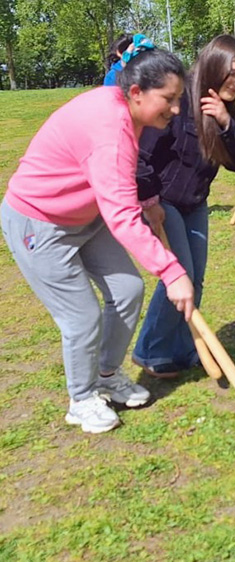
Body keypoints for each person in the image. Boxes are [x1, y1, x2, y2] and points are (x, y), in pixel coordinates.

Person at [1, 47, 194, 434]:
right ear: (137, 91)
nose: (175, 110)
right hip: (38, 223)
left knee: (127, 289)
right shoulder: (110, 129)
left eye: (178, 100)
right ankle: (82, 398)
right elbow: (121, 215)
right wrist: (173, 272)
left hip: (86, 217)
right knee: (81, 316)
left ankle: (106, 373)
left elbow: (116, 179)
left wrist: (146, 199)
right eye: (169, 99)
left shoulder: (125, 107)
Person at [131, 35, 235, 379]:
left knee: (194, 280)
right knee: (178, 275)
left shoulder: (228, 108)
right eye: (233, 75)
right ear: (214, 67)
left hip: (196, 203)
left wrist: (227, 124)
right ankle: (150, 350)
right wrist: (150, 202)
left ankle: (184, 349)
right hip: (163, 201)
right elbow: (141, 155)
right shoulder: (178, 101)